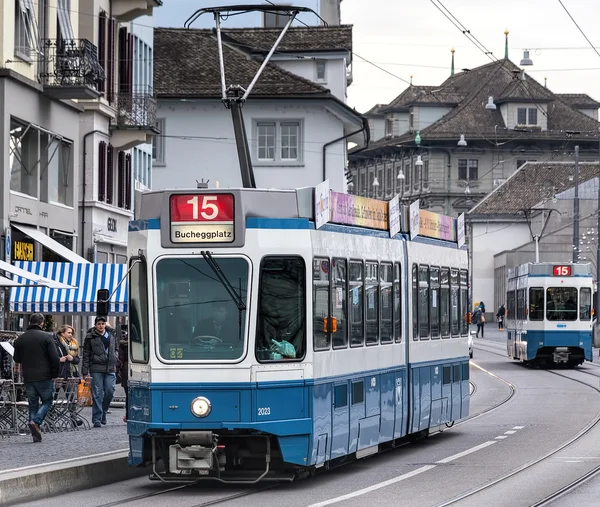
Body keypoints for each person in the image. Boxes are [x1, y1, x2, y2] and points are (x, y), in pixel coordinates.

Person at [13, 313, 60, 442]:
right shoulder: (46, 337)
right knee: (47, 401)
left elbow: (16, 358)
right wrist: (55, 373)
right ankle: (35, 421)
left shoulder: (20, 339)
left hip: (28, 376)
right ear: (42, 323)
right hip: (44, 375)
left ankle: (35, 434)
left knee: (33, 404)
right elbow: (54, 358)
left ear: (30, 322)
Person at [82, 316, 118, 428]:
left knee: (110, 391)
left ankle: (104, 411)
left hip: (110, 367)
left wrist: (115, 357)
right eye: (99, 324)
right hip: (96, 368)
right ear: (95, 325)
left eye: (103, 323)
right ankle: (97, 418)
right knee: (97, 394)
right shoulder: (90, 337)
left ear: (105, 324)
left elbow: (116, 348)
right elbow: (86, 354)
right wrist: (85, 371)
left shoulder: (111, 334)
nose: (101, 326)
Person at [54, 325, 83, 427]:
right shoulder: (56, 343)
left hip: (70, 374)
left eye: (71, 333)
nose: (71, 335)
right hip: (57, 374)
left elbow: (77, 359)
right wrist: (58, 359)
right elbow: (50, 357)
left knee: (71, 398)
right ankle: (50, 419)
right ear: (62, 333)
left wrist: (72, 359)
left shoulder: (74, 344)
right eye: (68, 332)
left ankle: (74, 419)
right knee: (53, 398)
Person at [116, 331, 128, 423]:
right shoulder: (124, 344)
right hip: (126, 371)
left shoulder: (123, 343)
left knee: (128, 395)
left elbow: (120, 358)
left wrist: (117, 370)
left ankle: (128, 414)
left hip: (126, 371)